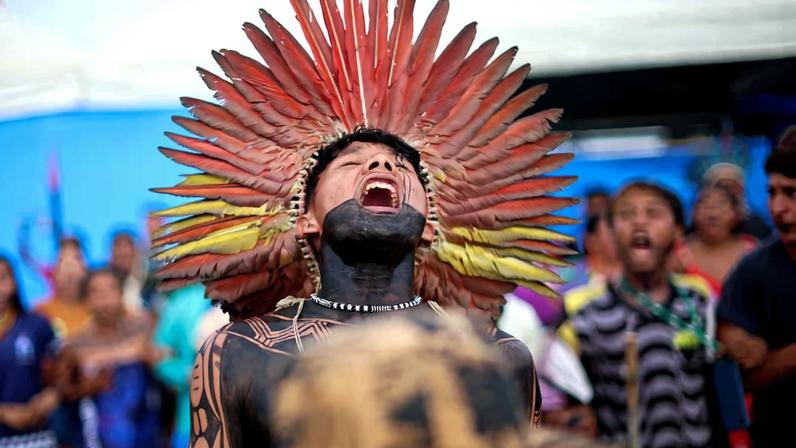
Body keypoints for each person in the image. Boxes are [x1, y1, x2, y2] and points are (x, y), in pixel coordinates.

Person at [149, 1, 576, 446]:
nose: (382, 164)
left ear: (431, 224)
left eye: (402, 166)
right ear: (305, 218)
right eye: (351, 162)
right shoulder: (238, 352)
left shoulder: (498, 357)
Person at [560, 182, 719, 447]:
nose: (639, 223)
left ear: (678, 231)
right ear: (612, 232)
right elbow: (560, 399)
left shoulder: (699, 302)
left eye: (654, 213)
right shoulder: (584, 315)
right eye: (626, 215)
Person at [716, 125, 796, 447]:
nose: (777, 208)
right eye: (771, 193)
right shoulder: (753, 270)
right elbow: (738, 379)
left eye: (791, 193)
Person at [66, 269, 160, 448]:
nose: (105, 300)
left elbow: (162, 361)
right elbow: (65, 391)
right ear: (86, 300)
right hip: (96, 436)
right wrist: (131, 351)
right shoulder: (77, 342)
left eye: (111, 290)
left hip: (144, 433)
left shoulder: (143, 326)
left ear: (121, 294)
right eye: (97, 292)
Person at [0, 255, 60, 447]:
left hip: (37, 437)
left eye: (3, 278)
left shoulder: (37, 324)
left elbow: (63, 370)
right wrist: (3, 413)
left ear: (14, 282)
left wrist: (53, 395)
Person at [674, 184, 756, 295]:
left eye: (720, 205)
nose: (712, 213)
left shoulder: (752, 250)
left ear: (737, 213)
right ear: (693, 213)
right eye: (705, 205)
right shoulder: (679, 255)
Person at [703, 162, 771, 241]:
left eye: (733, 187)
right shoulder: (699, 226)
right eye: (723, 187)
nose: (729, 193)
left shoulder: (757, 225)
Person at [34, 243, 90, 338]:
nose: (69, 280)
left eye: (74, 275)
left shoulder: (97, 308)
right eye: (64, 274)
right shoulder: (40, 310)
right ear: (54, 275)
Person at [109, 231, 146, 312]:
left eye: (127, 257)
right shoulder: (107, 283)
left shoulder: (146, 280)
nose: (123, 262)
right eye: (120, 257)